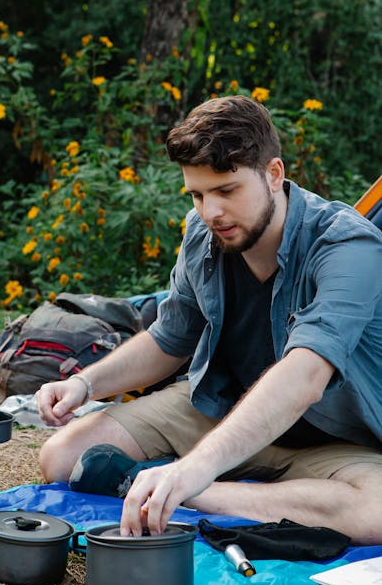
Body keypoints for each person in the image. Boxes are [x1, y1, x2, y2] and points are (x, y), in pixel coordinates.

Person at [36, 95, 382, 545]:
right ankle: (225, 490)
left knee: (376, 512)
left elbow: (305, 377)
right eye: (197, 194)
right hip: (221, 410)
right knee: (62, 456)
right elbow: (168, 337)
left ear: (273, 174)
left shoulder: (348, 246)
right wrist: (86, 384)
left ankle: (189, 490)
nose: (210, 212)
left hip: (333, 440)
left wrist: (194, 473)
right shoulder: (202, 234)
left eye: (226, 190)